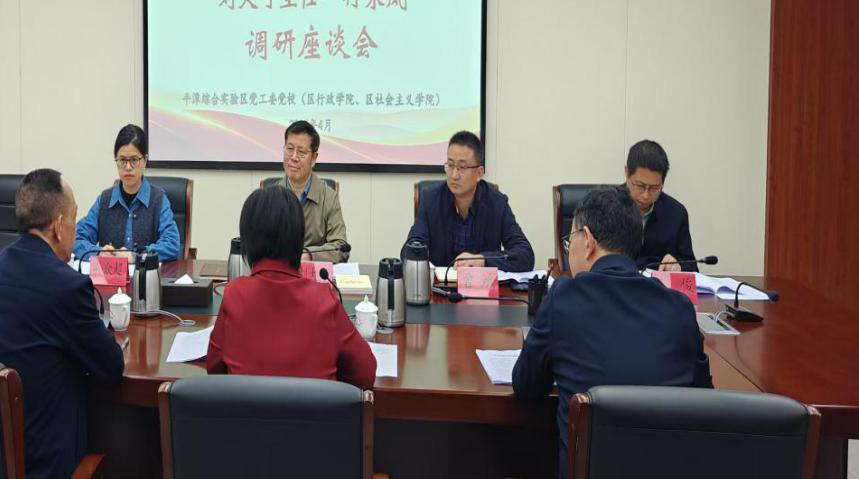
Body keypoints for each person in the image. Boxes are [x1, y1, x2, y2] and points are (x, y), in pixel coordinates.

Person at [512, 185, 712, 477]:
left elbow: (527, 387)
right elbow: (704, 402)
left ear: (588, 240)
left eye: (570, 241)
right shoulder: (679, 307)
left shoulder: (564, 298)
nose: (569, 250)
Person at [0, 168, 124, 479]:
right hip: (52, 465)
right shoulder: (68, 287)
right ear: (57, 226)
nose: (75, 228)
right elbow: (111, 368)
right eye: (74, 218)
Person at [206, 185, 375, 389]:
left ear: (247, 241)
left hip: (247, 410)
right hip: (314, 410)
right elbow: (365, 374)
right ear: (298, 238)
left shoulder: (234, 294)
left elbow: (214, 370)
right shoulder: (323, 299)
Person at [405, 131, 534, 271]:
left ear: (479, 173)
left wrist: (483, 260)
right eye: (450, 165)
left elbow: (525, 255)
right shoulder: (431, 200)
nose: (454, 175)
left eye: (462, 167)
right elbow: (410, 249)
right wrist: (418, 255)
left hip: (480, 284)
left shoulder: (497, 204)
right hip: (440, 283)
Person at [74, 124, 180, 262]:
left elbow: (171, 244)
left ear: (145, 161)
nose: (128, 167)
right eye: (123, 160)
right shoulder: (104, 200)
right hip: (111, 275)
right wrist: (99, 253)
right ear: (116, 160)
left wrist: (137, 257)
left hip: (144, 275)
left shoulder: (159, 200)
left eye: (134, 160)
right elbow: (76, 239)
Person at [262, 120, 349, 263]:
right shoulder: (269, 196)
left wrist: (309, 255)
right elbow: (258, 243)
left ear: (313, 158)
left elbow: (340, 247)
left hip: (312, 271)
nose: (293, 157)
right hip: (278, 270)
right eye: (289, 149)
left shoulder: (328, 196)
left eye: (301, 152)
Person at [624, 139, 695, 271]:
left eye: (654, 188)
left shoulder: (676, 213)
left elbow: (692, 266)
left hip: (657, 283)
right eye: (640, 186)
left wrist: (678, 265)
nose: (646, 195)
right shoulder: (605, 207)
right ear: (627, 173)